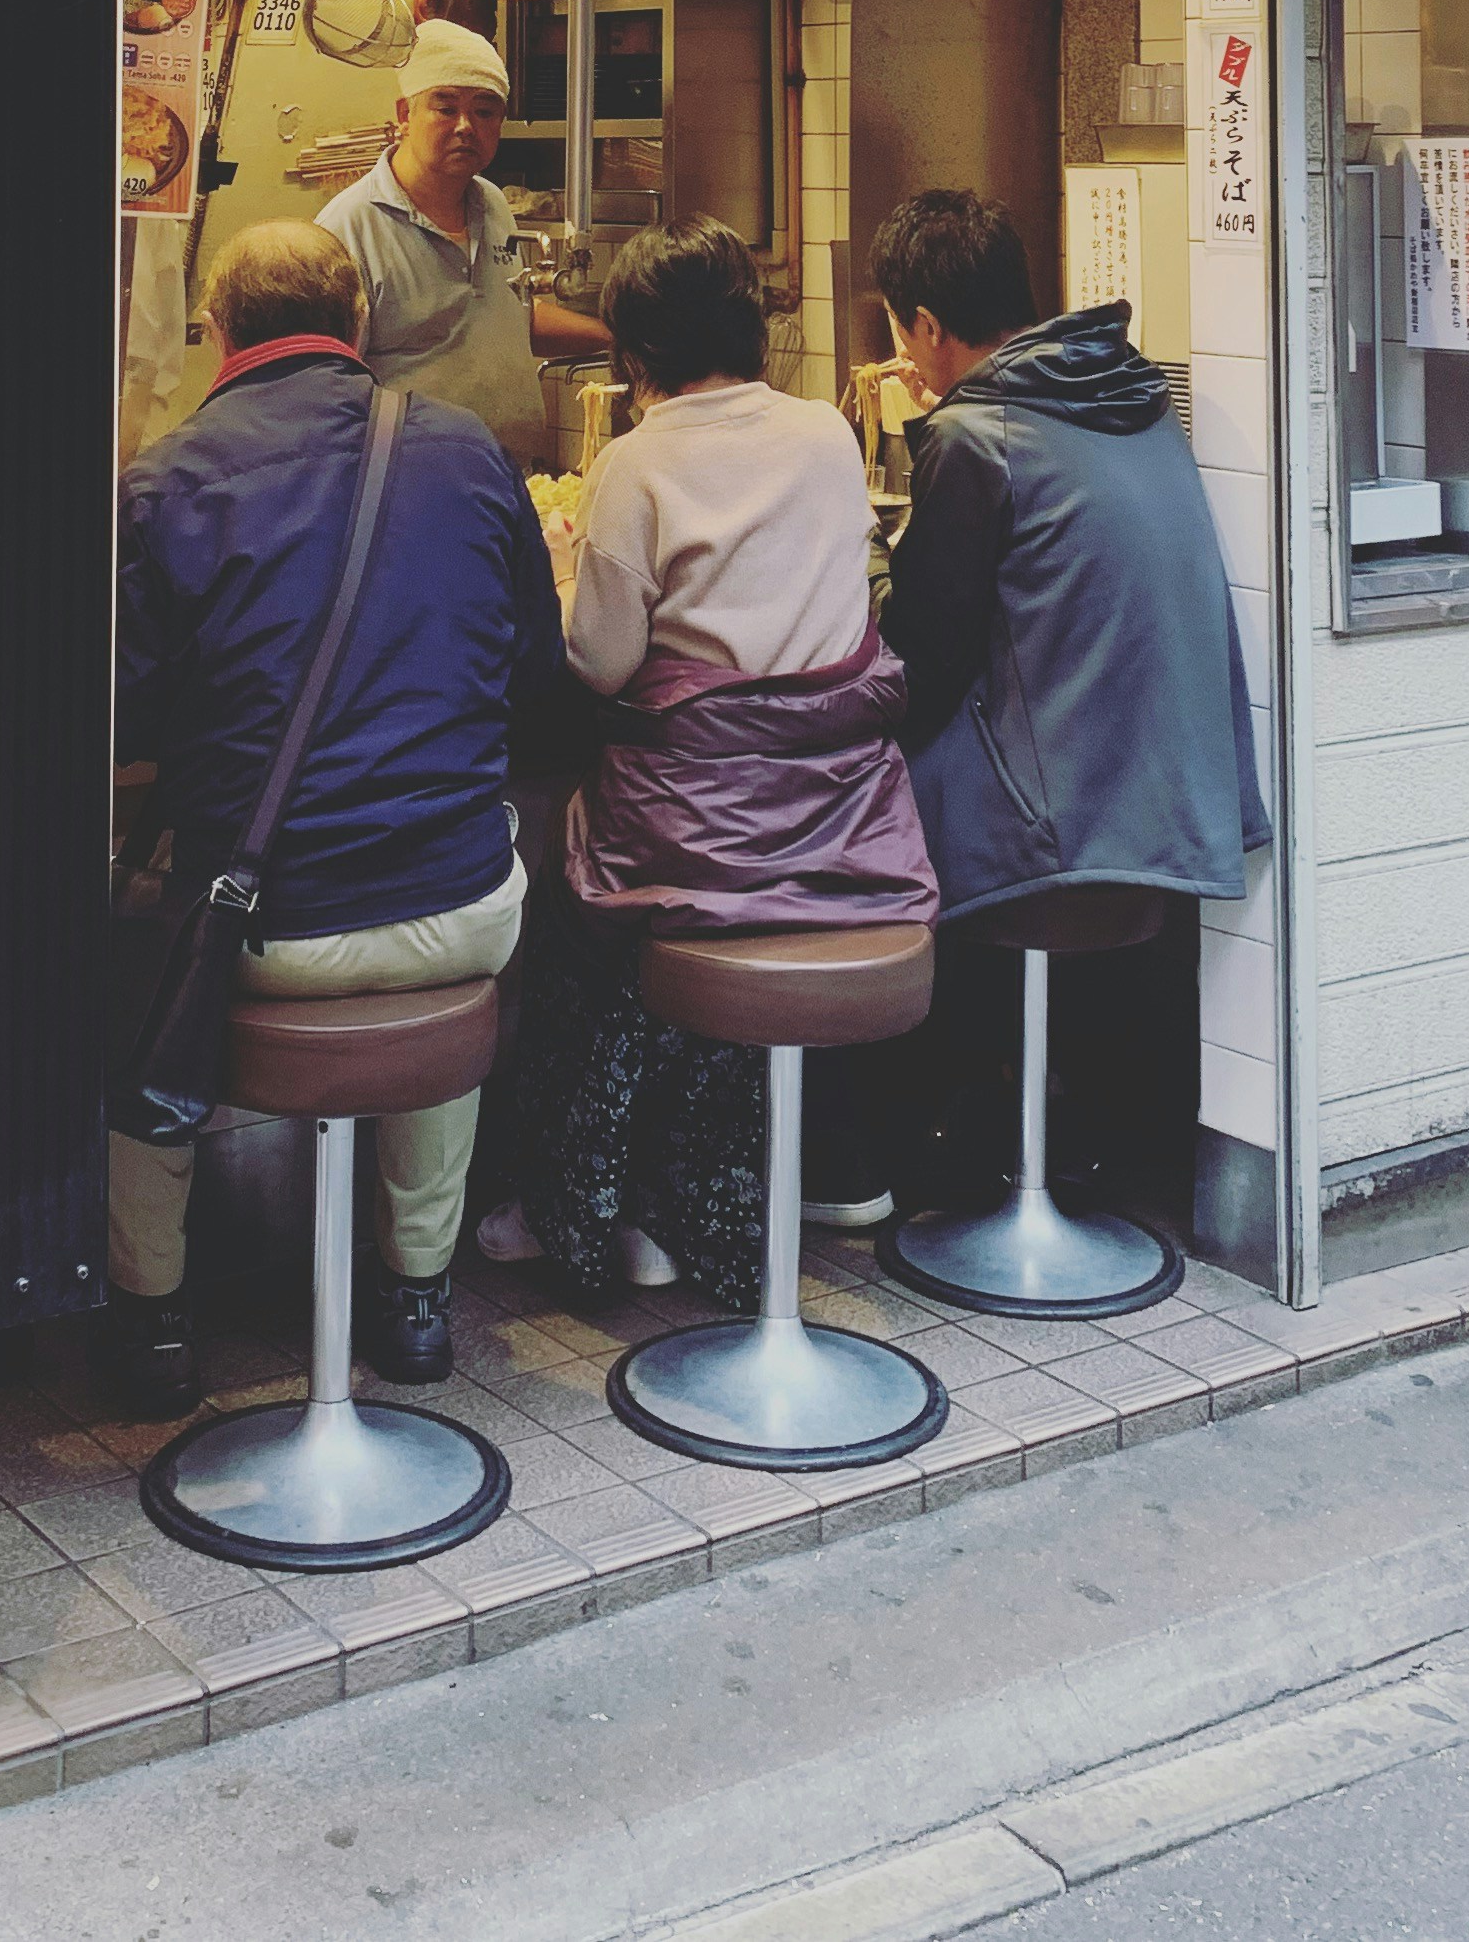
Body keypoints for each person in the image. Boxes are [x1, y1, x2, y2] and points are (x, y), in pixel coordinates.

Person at [108, 220, 559, 1416]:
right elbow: (538, 675)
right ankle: (416, 1299)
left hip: (268, 932)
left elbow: (123, 717)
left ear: (216, 334)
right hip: (461, 912)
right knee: (451, 903)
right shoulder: (468, 454)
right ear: (356, 325)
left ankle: (151, 1319)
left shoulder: (161, 482)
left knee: (131, 966)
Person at [485, 218, 934, 1303]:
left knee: (581, 931)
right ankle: (693, 1202)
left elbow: (599, 664)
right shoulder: (828, 437)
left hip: (693, 830)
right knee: (671, 938)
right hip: (841, 834)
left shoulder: (636, 464)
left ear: (633, 352)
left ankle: (594, 1208)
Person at [870, 190, 1268, 1209]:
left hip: (1057, 844)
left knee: (851, 795)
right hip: (1174, 818)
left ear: (924, 324)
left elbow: (921, 658)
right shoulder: (1131, 398)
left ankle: (892, 1154)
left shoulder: (979, 437)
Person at [315, 17, 609, 468]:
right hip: (407, 486)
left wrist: (619, 337)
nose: (466, 126)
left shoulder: (492, 204)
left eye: (485, 112)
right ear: (404, 115)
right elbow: (326, 387)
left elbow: (507, 317)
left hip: (509, 475)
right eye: (445, 107)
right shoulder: (348, 229)